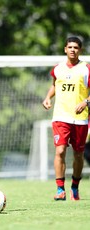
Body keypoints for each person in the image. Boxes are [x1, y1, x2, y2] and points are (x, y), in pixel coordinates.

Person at [42, 36, 90, 201]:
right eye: (70, 47)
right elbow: (55, 85)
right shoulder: (58, 69)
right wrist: (48, 97)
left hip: (80, 119)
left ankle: (75, 187)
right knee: (60, 150)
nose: (72, 50)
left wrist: (86, 101)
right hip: (61, 116)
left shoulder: (86, 68)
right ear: (65, 49)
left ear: (80, 50)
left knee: (78, 154)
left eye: (76, 47)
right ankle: (60, 189)